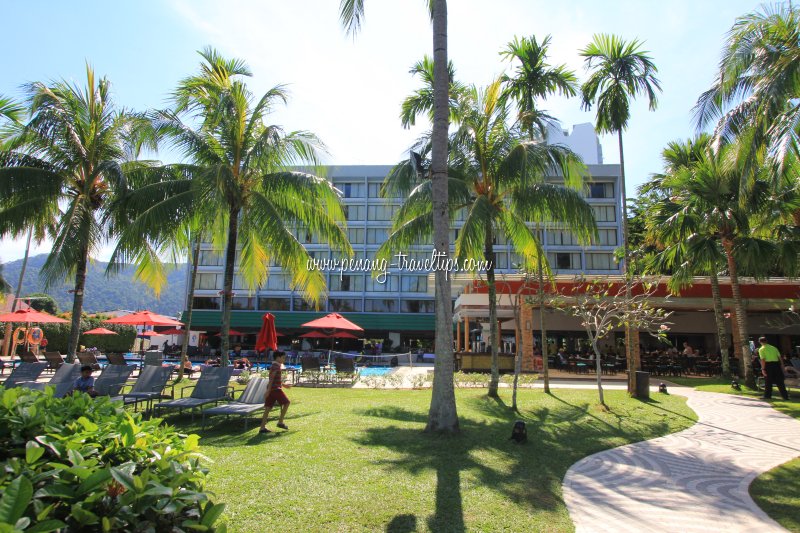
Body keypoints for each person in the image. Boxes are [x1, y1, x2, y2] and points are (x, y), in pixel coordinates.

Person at [259, 351, 291, 433]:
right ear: (278, 357)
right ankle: (280, 422)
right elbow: (272, 378)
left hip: (273, 389)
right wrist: (268, 390)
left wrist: (284, 385)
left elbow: (275, 379)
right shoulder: (276, 366)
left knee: (268, 408)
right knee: (287, 403)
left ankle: (262, 428)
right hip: (275, 389)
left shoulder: (275, 366)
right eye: (283, 357)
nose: (284, 359)